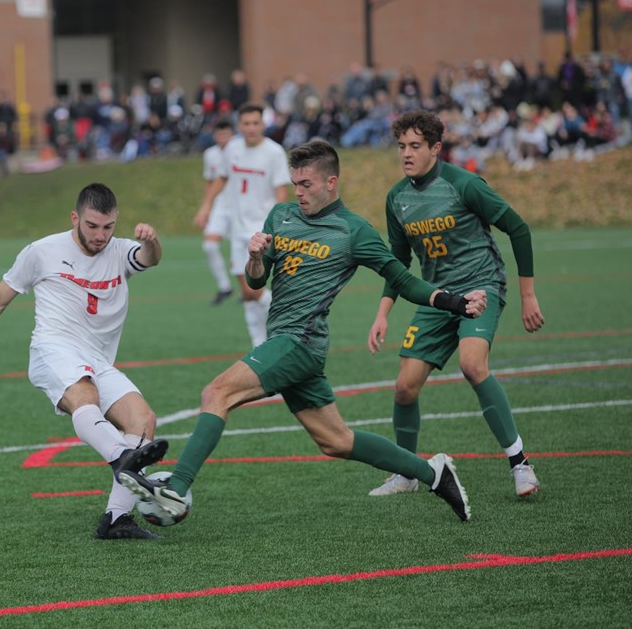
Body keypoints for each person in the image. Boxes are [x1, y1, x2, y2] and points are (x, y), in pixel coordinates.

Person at [121, 141, 485, 525]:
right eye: (295, 183)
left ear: (331, 182)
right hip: (286, 342)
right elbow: (255, 283)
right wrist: (256, 258)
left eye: (306, 184)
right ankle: (435, 474)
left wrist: (454, 302)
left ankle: (176, 489)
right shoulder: (280, 216)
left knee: (216, 393)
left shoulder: (353, 230)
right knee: (337, 441)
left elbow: (404, 281)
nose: (298, 192)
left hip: (299, 341)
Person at [0, 183, 171, 540]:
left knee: (143, 422)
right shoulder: (42, 252)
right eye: (92, 226)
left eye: (108, 227)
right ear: (75, 218)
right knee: (85, 396)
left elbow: (150, 258)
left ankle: (116, 518)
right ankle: (119, 457)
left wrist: (151, 240)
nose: (100, 235)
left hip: (98, 359)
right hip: (54, 349)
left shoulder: (121, 251)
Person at [365, 109, 545, 499]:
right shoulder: (397, 198)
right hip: (438, 297)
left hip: (481, 287)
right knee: (404, 389)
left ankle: (520, 465)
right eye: (401, 146)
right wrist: (383, 313)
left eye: (415, 146)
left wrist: (527, 295)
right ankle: (407, 472)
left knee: (472, 365)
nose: (407, 153)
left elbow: (518, 228)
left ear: (435, 148)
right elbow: (397, 264)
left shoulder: (463, 184)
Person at [194, 103, 290, 346]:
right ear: (239, 125)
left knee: (255, 289)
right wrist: (206, 206)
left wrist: (279, 226)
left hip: (261, 230)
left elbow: (281, 192)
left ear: (263, 124)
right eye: (246, 123)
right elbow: (222, 178)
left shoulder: (274, 152)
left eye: (255, 123)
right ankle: (259, 344)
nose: (251, 128)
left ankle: (287, 327)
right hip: (237, 230)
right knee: (247, 292)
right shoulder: (233, 149)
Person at [198, 119, 236, 304]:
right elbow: (210, 182)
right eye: (220, 134)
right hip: (220, 207)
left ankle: (252, 290)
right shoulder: (210, 154)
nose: (223, 138)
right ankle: (224, 286)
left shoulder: (239, 150)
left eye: (226, 134)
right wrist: (205, 207)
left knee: (245, 251)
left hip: (240, 208)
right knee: (210, 246)